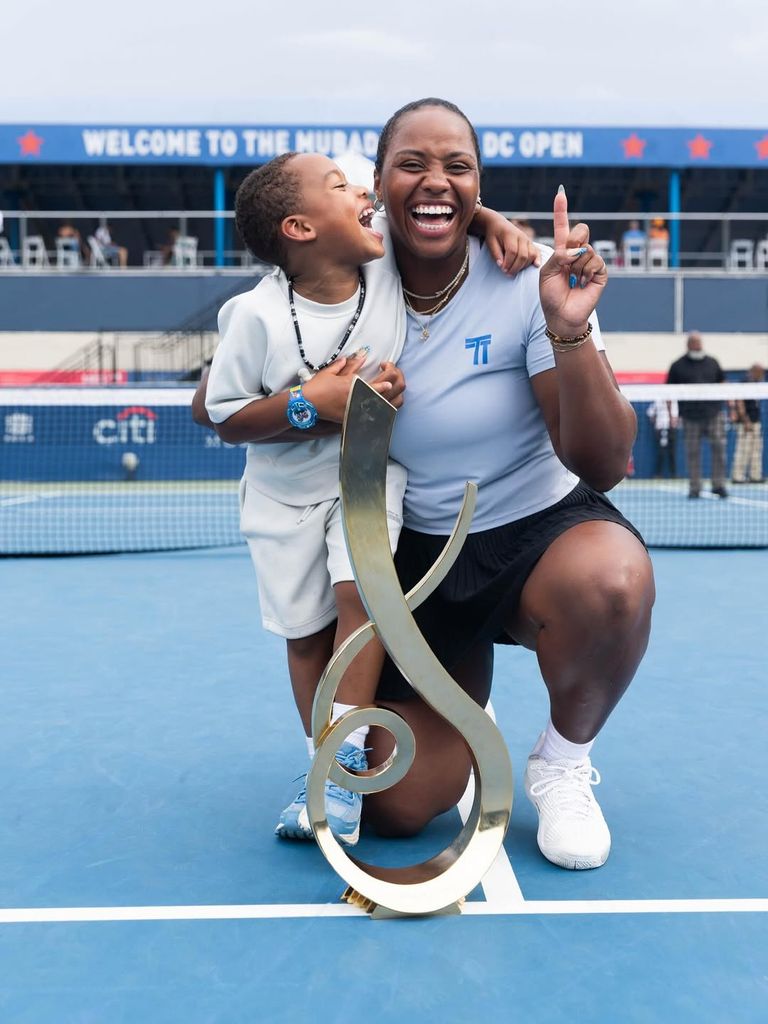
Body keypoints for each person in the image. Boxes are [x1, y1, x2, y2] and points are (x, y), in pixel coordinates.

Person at [196, 151, 536, 847]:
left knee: (364, 601)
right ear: (299, 227)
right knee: (306, 636)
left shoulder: (383, 267)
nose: (363, 193)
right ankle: (323, 758)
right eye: (340, 186)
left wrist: (494, 220)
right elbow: (223, 414)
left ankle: (345, 773)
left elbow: (439, 219)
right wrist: (310, 405)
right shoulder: (254, 316)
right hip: (280, 502)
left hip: (369, 479)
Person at [358, 98, 654, 872]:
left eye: (458, 167)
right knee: (396, 809)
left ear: (478, 185)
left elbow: (604, 463)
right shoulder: (347, 280)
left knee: (614, 585)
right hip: (417, 557)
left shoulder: (528, 278)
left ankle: (561, 760)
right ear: (377, 180)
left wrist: (568, 327)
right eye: (412, 164)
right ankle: (467, 709)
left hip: (537, 535)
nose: (436, 181)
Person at [667, 332, 728, 498]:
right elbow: (668, 391)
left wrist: (730, 407)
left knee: (719, 449)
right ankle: (695, 487)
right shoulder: (677, 365)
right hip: (690, 417)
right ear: (688, 344)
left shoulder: (712, 363)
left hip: (714, 414)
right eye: (693, 342)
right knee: (692, 453)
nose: (697, 344)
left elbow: (723, 384)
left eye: (699, 341)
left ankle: (719, 484)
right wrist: (671, 414)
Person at [731, 363, 765, 484]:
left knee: (756, 450)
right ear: (754, 371)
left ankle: (755, 476)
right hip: (746, 424)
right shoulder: (744, 382)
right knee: (743, 450)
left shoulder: (757, 384)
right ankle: (738, 476)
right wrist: (746, 421)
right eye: (760, 372)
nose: (762, 375)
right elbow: (739, 403)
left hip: (756, 422)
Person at [646, 397, 679, 477]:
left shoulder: (674, 401)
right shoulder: (658, 401)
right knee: (661, 452)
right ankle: (658, 474)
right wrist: (656, 424)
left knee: (672, 452)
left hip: (671, 430)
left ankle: (673, 474)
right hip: (661, 429)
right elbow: (650, 413)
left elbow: (676, 415)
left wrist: (674, 422)